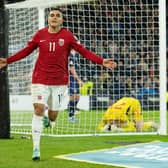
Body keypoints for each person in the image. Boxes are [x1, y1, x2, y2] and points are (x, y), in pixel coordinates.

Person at [0, 8, 117, 161]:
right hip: (40, 79)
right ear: (48, 19)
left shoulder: (68, 36)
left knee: (53, 116)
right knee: (38, 108)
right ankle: (36, 148)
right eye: (52, 15)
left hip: (60, 82)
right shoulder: (40, 35)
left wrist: (101, 61)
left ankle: (49, 119)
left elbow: (83, 51)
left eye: (57, 16)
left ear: (62, 20)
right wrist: (8, 61)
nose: (54, 17)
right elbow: (26, 51)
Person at [68, 49, 83, 122]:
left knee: (77, 97)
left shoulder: (75, 56)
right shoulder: (69, 55)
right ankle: (71, 116)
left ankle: (72, 114)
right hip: (71, 79)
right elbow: (71, 69)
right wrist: (78, 80)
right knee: (73, 96)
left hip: (75, 79)